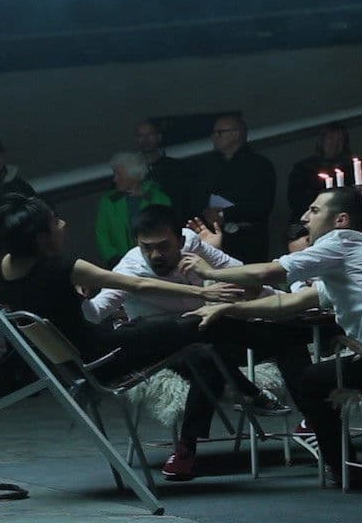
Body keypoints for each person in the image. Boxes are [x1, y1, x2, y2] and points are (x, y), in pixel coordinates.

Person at [0, 193, 304, 482]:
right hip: (105, 357)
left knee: (200, 340)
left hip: (77, 364)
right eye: (56, 222)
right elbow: (137, 285)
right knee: (202, 323)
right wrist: (202, 292)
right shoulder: (61, 267)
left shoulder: (0, 270)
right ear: (41, 238)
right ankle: (289, 337)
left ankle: (262, 370)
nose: (63, 225)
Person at [180, 187, 362, 489]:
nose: (304, 217)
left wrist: (210, 273)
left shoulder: (340, 242)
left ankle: (345, 469)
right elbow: (289, 302)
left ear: (341, 220)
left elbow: (268, 273)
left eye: (314, 210)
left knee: (310, 381)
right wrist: (231, 308)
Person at [81, 205, 291, 480]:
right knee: (203, 356)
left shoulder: (194, 245)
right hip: (161, 348)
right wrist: (79, 298)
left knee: (210, 348)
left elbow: (242, 273)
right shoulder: (130, 269)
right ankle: (191, 443)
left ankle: (193, 444)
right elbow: (96, 313)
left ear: (180, 241)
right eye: (147, 248)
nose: (155, 255)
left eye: (163, 246)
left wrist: (284, 302)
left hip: (208, 332)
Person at [194, 114, 277, 264]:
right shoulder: (208, 166)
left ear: (236, 134)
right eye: (213, 133)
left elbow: (263, 204)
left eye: (219, 132)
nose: (214, 137)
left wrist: (225, 213)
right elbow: (198, 195)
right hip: (214, 236)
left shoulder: (259, 165)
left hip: (248, 240)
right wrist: (207, 211)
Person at [94, 151, 172, 267]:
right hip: (121, 263)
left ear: (134, 175)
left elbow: (168, 231)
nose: (115, 179)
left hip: (156, 261)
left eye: (119, 174)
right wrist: (112, 257)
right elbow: (101, 232)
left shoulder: (158, 198)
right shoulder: (109, 201)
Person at [286, 122, 354, 221]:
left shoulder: (351, 169)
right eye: (331, 138)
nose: (335, 144)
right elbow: (295, 200)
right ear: (322, 141)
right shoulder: (303, 168)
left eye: (340, 140)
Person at [135, 119, 193, 219]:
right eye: (141, 135)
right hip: (140, 223)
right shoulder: (128, 171)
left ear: (159, 137)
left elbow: (184, 201)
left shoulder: (176, 167)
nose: (145, 139)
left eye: (150, 134)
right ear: (136, 139)